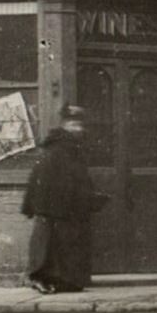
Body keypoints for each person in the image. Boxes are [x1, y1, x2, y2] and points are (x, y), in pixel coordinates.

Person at [21, 105, 107, 294]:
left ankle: (61, 281)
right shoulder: (59, 148)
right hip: (54, 206)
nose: (78, 129)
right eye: (74, 124)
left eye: (79, 125)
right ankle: (40, 278)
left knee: (62, 243)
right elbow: (51, 177)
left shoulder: (69, 147)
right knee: (48, 244)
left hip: (62, 205)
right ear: (65, 125)